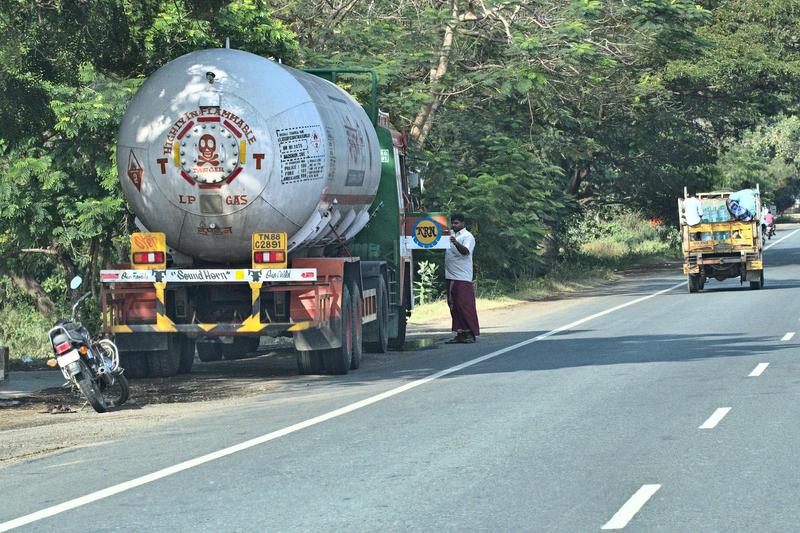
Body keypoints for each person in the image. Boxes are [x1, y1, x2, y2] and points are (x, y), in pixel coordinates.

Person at [444, 213, 480, 344]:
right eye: (452, 223)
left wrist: (455, 242)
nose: (454, 225)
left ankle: (470, 333)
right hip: (450, 276)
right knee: (453, 306)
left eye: (457, 223)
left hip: (462, 277)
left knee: (465, 305)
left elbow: (465, 252)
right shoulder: (450, 236)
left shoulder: (467, 236)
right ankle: (460, 333)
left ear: (463, 223)